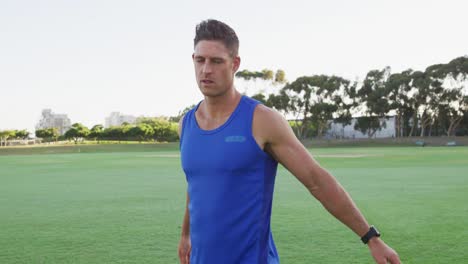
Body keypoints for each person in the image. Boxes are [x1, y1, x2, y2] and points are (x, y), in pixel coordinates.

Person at [177, 19, 401, 264]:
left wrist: (371, 237)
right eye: (200, 60)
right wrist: (186, 235)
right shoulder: (186, 124)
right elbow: (196, 185)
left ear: (235, 64)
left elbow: (317, 181)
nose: (206, 69)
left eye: (216, 61)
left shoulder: (262, 120)